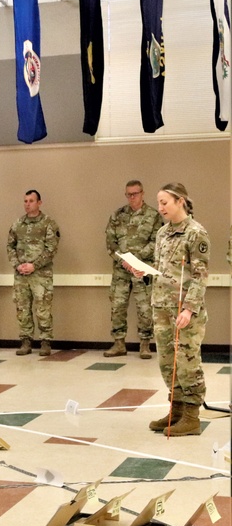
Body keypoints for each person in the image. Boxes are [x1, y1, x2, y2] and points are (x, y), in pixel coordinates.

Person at [129, 183, 209, 436]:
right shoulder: (163, 233)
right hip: (161, 307)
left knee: (187, 362)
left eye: (165, 202)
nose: (160, 207)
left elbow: (200, 276)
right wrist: (143, 270)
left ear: (180, 201)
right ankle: (176, 410)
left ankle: (191, 417)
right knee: (167, 362)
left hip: (184, 311)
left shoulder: (196, 233)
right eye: (159, 202)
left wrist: (188, 309)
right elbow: (162, 268)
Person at [104, 180, 163, 359]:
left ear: (142, 193)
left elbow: (157, 242)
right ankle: (119, 343)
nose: (132, 197)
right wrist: (124, 261)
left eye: (135, 194)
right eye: (128, 194)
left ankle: (145, 345)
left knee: (145, 308)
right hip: (121, 270)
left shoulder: (153, 216)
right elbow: (110, 242)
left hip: (142, 269)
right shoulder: (117, 215)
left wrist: (137, 259)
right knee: (117, 307)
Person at [7, 190, 60, 357]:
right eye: (25, 201)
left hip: (41, 275)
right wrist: (18, 265)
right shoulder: (17, 224)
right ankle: (26, 341)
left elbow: (51, 249)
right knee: (22, 309)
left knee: (42, 309)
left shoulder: (48, 223)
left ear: (39, 203)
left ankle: (45, 341)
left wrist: (34, 265)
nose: (27, 204)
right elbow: (10, 247)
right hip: (21, 274)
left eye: (31, 201)